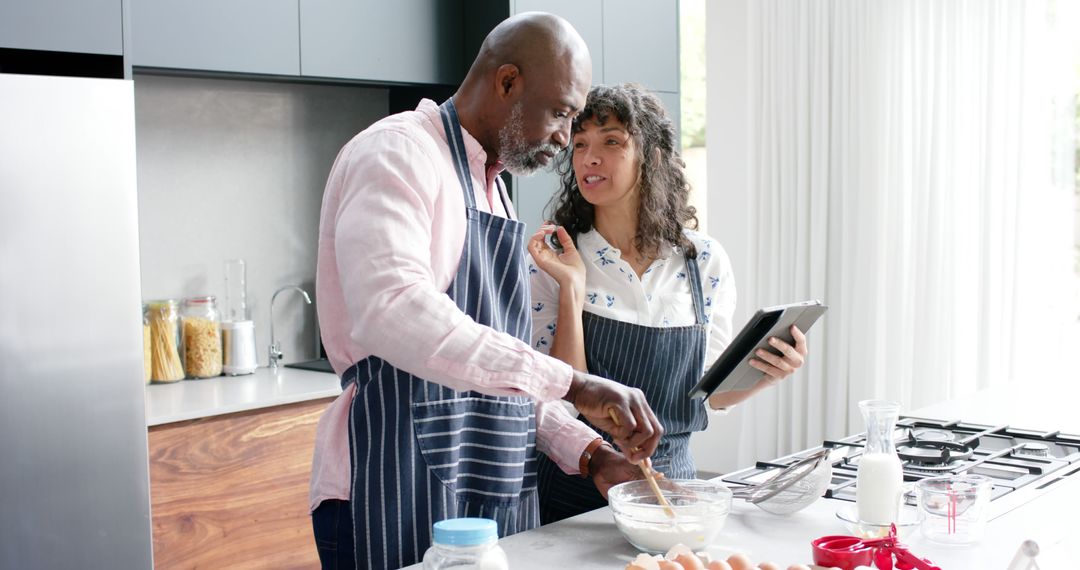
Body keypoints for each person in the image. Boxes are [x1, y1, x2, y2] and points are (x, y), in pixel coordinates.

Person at [308, 15, 665, 570]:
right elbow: (392, 309)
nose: (564, 139)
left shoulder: (492, 188)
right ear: (507, 83)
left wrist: (591, 454)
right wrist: (576, 384)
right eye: (562, 114)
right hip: (392, 485)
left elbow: (501, 370)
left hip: (491, 497)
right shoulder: (398, 153)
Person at [527, 83, 809, 523]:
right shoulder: (555, 256)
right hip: (577, 493)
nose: (589, 158)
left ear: (653, 156)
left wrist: (769, 372)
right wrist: (571, 288)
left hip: (674, 492)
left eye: (612, 142)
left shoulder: (704, 261)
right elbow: (560, 394)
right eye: (579, 145)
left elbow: (711, 394)